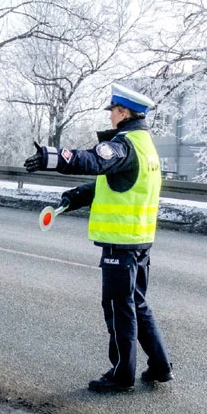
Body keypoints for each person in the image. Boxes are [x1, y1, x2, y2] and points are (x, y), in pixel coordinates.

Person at [24, 83, 174, 393]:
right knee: (137, 304)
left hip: (120, 244)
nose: (110, 117)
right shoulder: (146, 146)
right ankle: (160, 367)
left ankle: (121, 376)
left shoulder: (124, 144)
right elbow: (112, 184)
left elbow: (94, 160)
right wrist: (72, 198)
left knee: (119, 308)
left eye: (112, 112)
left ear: (123, 113)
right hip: (140, 240)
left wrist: (53, 158)